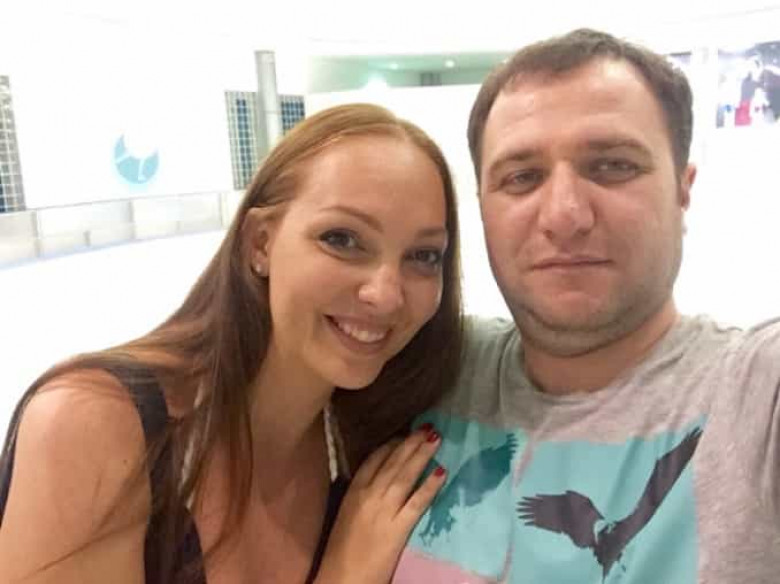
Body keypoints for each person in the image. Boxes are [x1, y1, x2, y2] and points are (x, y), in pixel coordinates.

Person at [0, 103, 464, 583]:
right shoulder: (96, 423)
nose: (386, 295)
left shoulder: (372, 447)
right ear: (260, 243)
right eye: (342, 239)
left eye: (423, 256)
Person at [393, 29, 780, 583]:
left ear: (683, 189)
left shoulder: (754, 396)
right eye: (522, 177)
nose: (564, 215)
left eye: (612, 166)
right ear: (482, 207)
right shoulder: (427, 364)